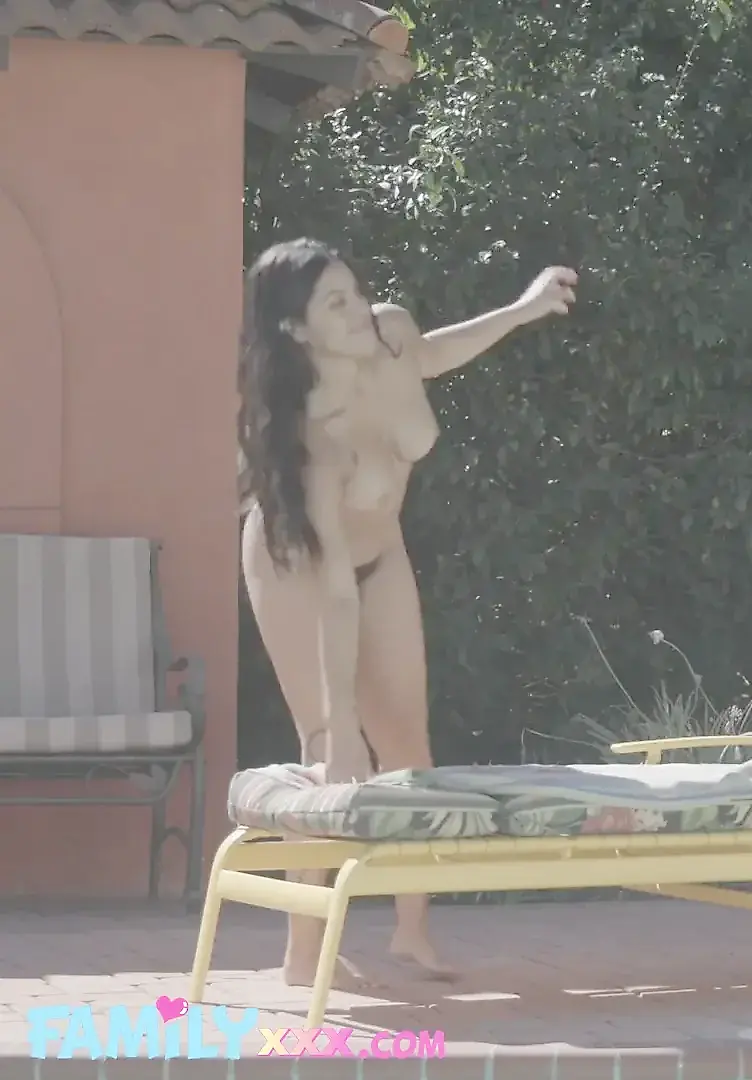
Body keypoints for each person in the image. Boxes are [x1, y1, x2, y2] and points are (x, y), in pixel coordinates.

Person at [237, 239, 576, 986]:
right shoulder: (310, 439)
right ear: (296, 330)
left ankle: (412, 934)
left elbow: (432, 353)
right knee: (328, 752)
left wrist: (521, 311)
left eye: (355, 291)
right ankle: (302, 951)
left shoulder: (390, 333)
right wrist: (340, 723)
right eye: (335, 304)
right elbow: (334, 593)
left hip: (381, 551)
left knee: (408, 747)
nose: (359, 309)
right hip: (299, 571)